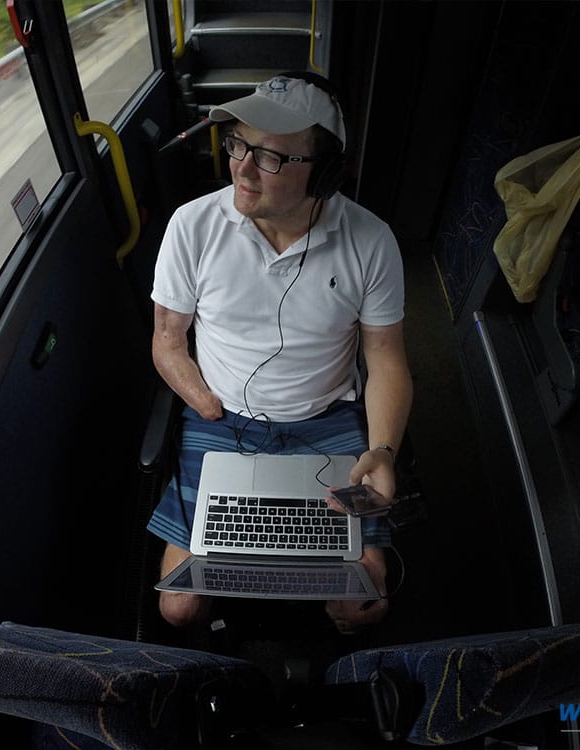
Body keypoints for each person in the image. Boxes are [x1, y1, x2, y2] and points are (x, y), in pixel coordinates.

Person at [146, 72, 413, 635]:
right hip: (221, 422)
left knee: (364, 600)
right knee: (180, 606)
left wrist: (384, 450)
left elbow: (386, 358)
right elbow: (168, 339)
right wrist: (205, 403)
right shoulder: (192, 227)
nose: (240, 167)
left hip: (328, 420)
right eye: (238, 144)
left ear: (325, 172)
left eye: (269, 157)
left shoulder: (371, 241)